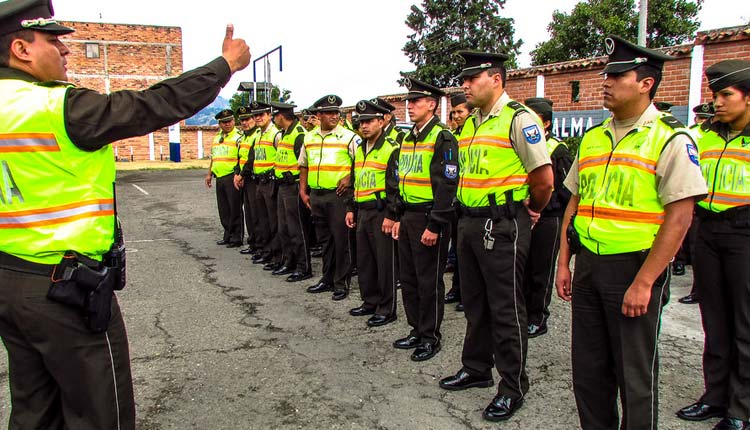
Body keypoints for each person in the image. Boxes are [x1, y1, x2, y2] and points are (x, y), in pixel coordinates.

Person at [0, 0, 250, 427]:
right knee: (100, 412)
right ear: (22, 49)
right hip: (63, 287)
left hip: (11, 282)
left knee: (34, 408)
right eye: (54, 40)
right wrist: (224, 66)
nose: (65, 50)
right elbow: (153, 104)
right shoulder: (53, 107)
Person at [554, 36, 706, 429]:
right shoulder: (594, 137)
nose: (606, 82)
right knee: (589, 372)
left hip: (634, 270)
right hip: (589, 266)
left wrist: (645, 282)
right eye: (606, 74)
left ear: (646, 84)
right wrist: (564, 263)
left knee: (634, 377)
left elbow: (680, 217)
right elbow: (574, 202)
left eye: (618, 75)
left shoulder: (670, 138)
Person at [438, 50, 553, 423]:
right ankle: (475, 368)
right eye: (464, 79)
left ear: (496, 79)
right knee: (475, 303)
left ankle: (512, 385)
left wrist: (530, 211)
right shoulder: (470, 124)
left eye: (473, 79)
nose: (465, 86)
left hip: (502, 222)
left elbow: (544, 180)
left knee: (506, 308)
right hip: (470, 222)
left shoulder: (519, 120)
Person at [676, 60, 750, 430]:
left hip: (745, 235)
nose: (717, 102)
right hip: (707, 231)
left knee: (745, 324)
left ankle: (742, 408)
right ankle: (714, 396)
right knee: (714, 321)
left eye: (726, 95)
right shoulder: (704, 136)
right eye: (715, 95)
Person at [390, 76, 458, 362]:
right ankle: (416, 329)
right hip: (408, 216)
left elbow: (447, 184)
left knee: (429, 280)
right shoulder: (408, 137)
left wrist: (435, 224)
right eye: (408, 102)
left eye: (416, 101)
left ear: (432, 104)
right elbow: (398, 178)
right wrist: (396, 216)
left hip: (429, 216)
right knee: (409, 278)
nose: (410, 107)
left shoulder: (442, 137)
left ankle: (430, 336)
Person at [522, 97, 573, 338]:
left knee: (540, 270)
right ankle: (523, 313)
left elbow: (565, 191)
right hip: (525, 215)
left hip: (548, 218)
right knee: (523, 267)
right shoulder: (523, 145)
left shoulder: (557, 150)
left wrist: (542, 207)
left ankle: (538, 317)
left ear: (547, 123)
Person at [346, 100, 400, 327]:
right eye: (361, 122)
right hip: (362, 211)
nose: (364, 126)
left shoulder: (391, 148)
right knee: (365, 260)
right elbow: (355, 182)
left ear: (381, 120)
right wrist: (351, 208)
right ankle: (370, 301)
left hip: (380, 213)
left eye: (369, 121)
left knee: (384, 262)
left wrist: (391, 214)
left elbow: (395, 187)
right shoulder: (360, 149)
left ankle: (387, 308)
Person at [299, 94, 358, 301]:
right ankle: (327, 278)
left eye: (336, 113)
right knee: (325, 240)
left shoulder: (349, 137)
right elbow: (304, 165)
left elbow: (362, 161)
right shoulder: (309, 137)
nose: (334, 116)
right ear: (319, 115)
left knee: (341, 241)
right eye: (329, 113)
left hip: (338, 197)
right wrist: (303, 190)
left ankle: (341, 283)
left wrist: (350, 177)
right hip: (317, 195)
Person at [675, 101, 716, 303]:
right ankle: (697, 288)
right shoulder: (696, 135)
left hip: (733, 214)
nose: (701, 122)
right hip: (701, 202)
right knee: (693, 245)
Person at [270, 101, 313, 282]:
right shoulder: (283, 134)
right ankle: (289, 262)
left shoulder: (299, 135)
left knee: (297, 229)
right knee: (284, 227)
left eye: (275, 116)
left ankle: (303, 267)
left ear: (281, 116)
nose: (274, 119)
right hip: (282, 186)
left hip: (294, 185)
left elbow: (304, 165)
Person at [444, 91, 471, 312]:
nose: (456, 115)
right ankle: (456, 288)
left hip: (470, 199)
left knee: (468, 252)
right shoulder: (454, 135)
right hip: (456, 200)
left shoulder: (473, 133)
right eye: (453, 112)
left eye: (460, 111)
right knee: (458, 249)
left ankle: (466, 293)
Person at [249, 100, 282, 270]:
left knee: (273, 221)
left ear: (269, 115)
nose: (258, 118)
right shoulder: (258, 135)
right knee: (263, 220)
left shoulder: (275, 134)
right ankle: (267, 252)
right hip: (259, 182)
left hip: (270, 182)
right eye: (255, 115)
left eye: (261, 115)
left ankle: (277, 256)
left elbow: (282, 158)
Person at [206, 108, 243, 247]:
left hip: (231, 176)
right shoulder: (217, 138)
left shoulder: (239, 137)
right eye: (224, 122)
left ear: (234, 121)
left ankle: (236, 237)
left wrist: (238, 175)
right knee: (223, 209)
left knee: (235, 208)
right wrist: (209, 174)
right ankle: (227, 234)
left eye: (229, 121)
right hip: (219, 176)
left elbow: (241, 158)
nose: (227, 124)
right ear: (219, 124)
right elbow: (213, 157)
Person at [233, 105, 261, 255]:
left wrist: (242, 175)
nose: (245, 122)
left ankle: (259, 245)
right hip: (245, 179)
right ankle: (253, 243)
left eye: (248, 119)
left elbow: (251, 159)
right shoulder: (242, 137)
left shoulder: (257, 135)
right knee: (249, 214)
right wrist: (237, 173)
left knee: (257, 214)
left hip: (253, 179)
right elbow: (240, 158)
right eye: (242, 120)